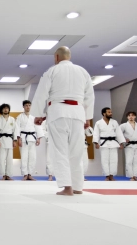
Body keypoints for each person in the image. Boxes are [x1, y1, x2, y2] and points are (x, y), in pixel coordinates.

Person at [31, 46, 94, 196]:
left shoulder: (52, 71)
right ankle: (78, 186)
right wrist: (88, 117)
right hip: (78, 113)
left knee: (60, 150)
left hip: (58, 112)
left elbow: (42, 93)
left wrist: (39, 114)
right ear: (69, 56)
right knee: (76, 151)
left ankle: (67, 187)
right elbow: (89, 96)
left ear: (56, 57)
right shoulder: (83, 72)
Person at [93, 107, 126, 181]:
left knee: (114, 160)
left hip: (113, 143)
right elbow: (96, 133)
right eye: (109, 112)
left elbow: (119, 133)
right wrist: (96, 142)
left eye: (111, 112)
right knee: (104, 160)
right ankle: (107, 176)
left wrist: (121, 143)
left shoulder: (114, 122)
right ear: (104, 113)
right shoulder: (98, 123)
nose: (111, 113)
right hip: (103, 143)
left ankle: (112, 175)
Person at [16, 100, 43, 181]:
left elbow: (38, 127)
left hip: (32, 138)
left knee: (32, 157)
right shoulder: (19, 117)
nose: (28, 107)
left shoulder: (34, 117)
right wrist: (18, 139)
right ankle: (25, 174)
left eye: (29, 105)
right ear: (23, 107)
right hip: (23, 138)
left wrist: (38, 138)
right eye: (26, 105)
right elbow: (17, 128)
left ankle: (30, 174)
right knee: (24, 157)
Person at [120, 111, 137, 181]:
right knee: (129, 161)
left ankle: (135, 175)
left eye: (132, 115)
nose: (131, 117)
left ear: (135, 116)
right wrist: (123, 140)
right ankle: (131, 176)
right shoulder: (123, 125)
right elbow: (119, 133)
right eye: (129, 115)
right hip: (129, 145)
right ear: (127, 117)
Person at [0, 103, 17, 180]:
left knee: (9, 159)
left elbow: (15, 130)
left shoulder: (12, 119)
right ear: (1, 110)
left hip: (10, 140)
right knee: (1, 158)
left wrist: (15, 140)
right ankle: (3, 175)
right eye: (4, 108)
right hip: (1, 139)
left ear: (9, 110)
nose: (5, 109)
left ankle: (8, 175)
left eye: (7, 108)